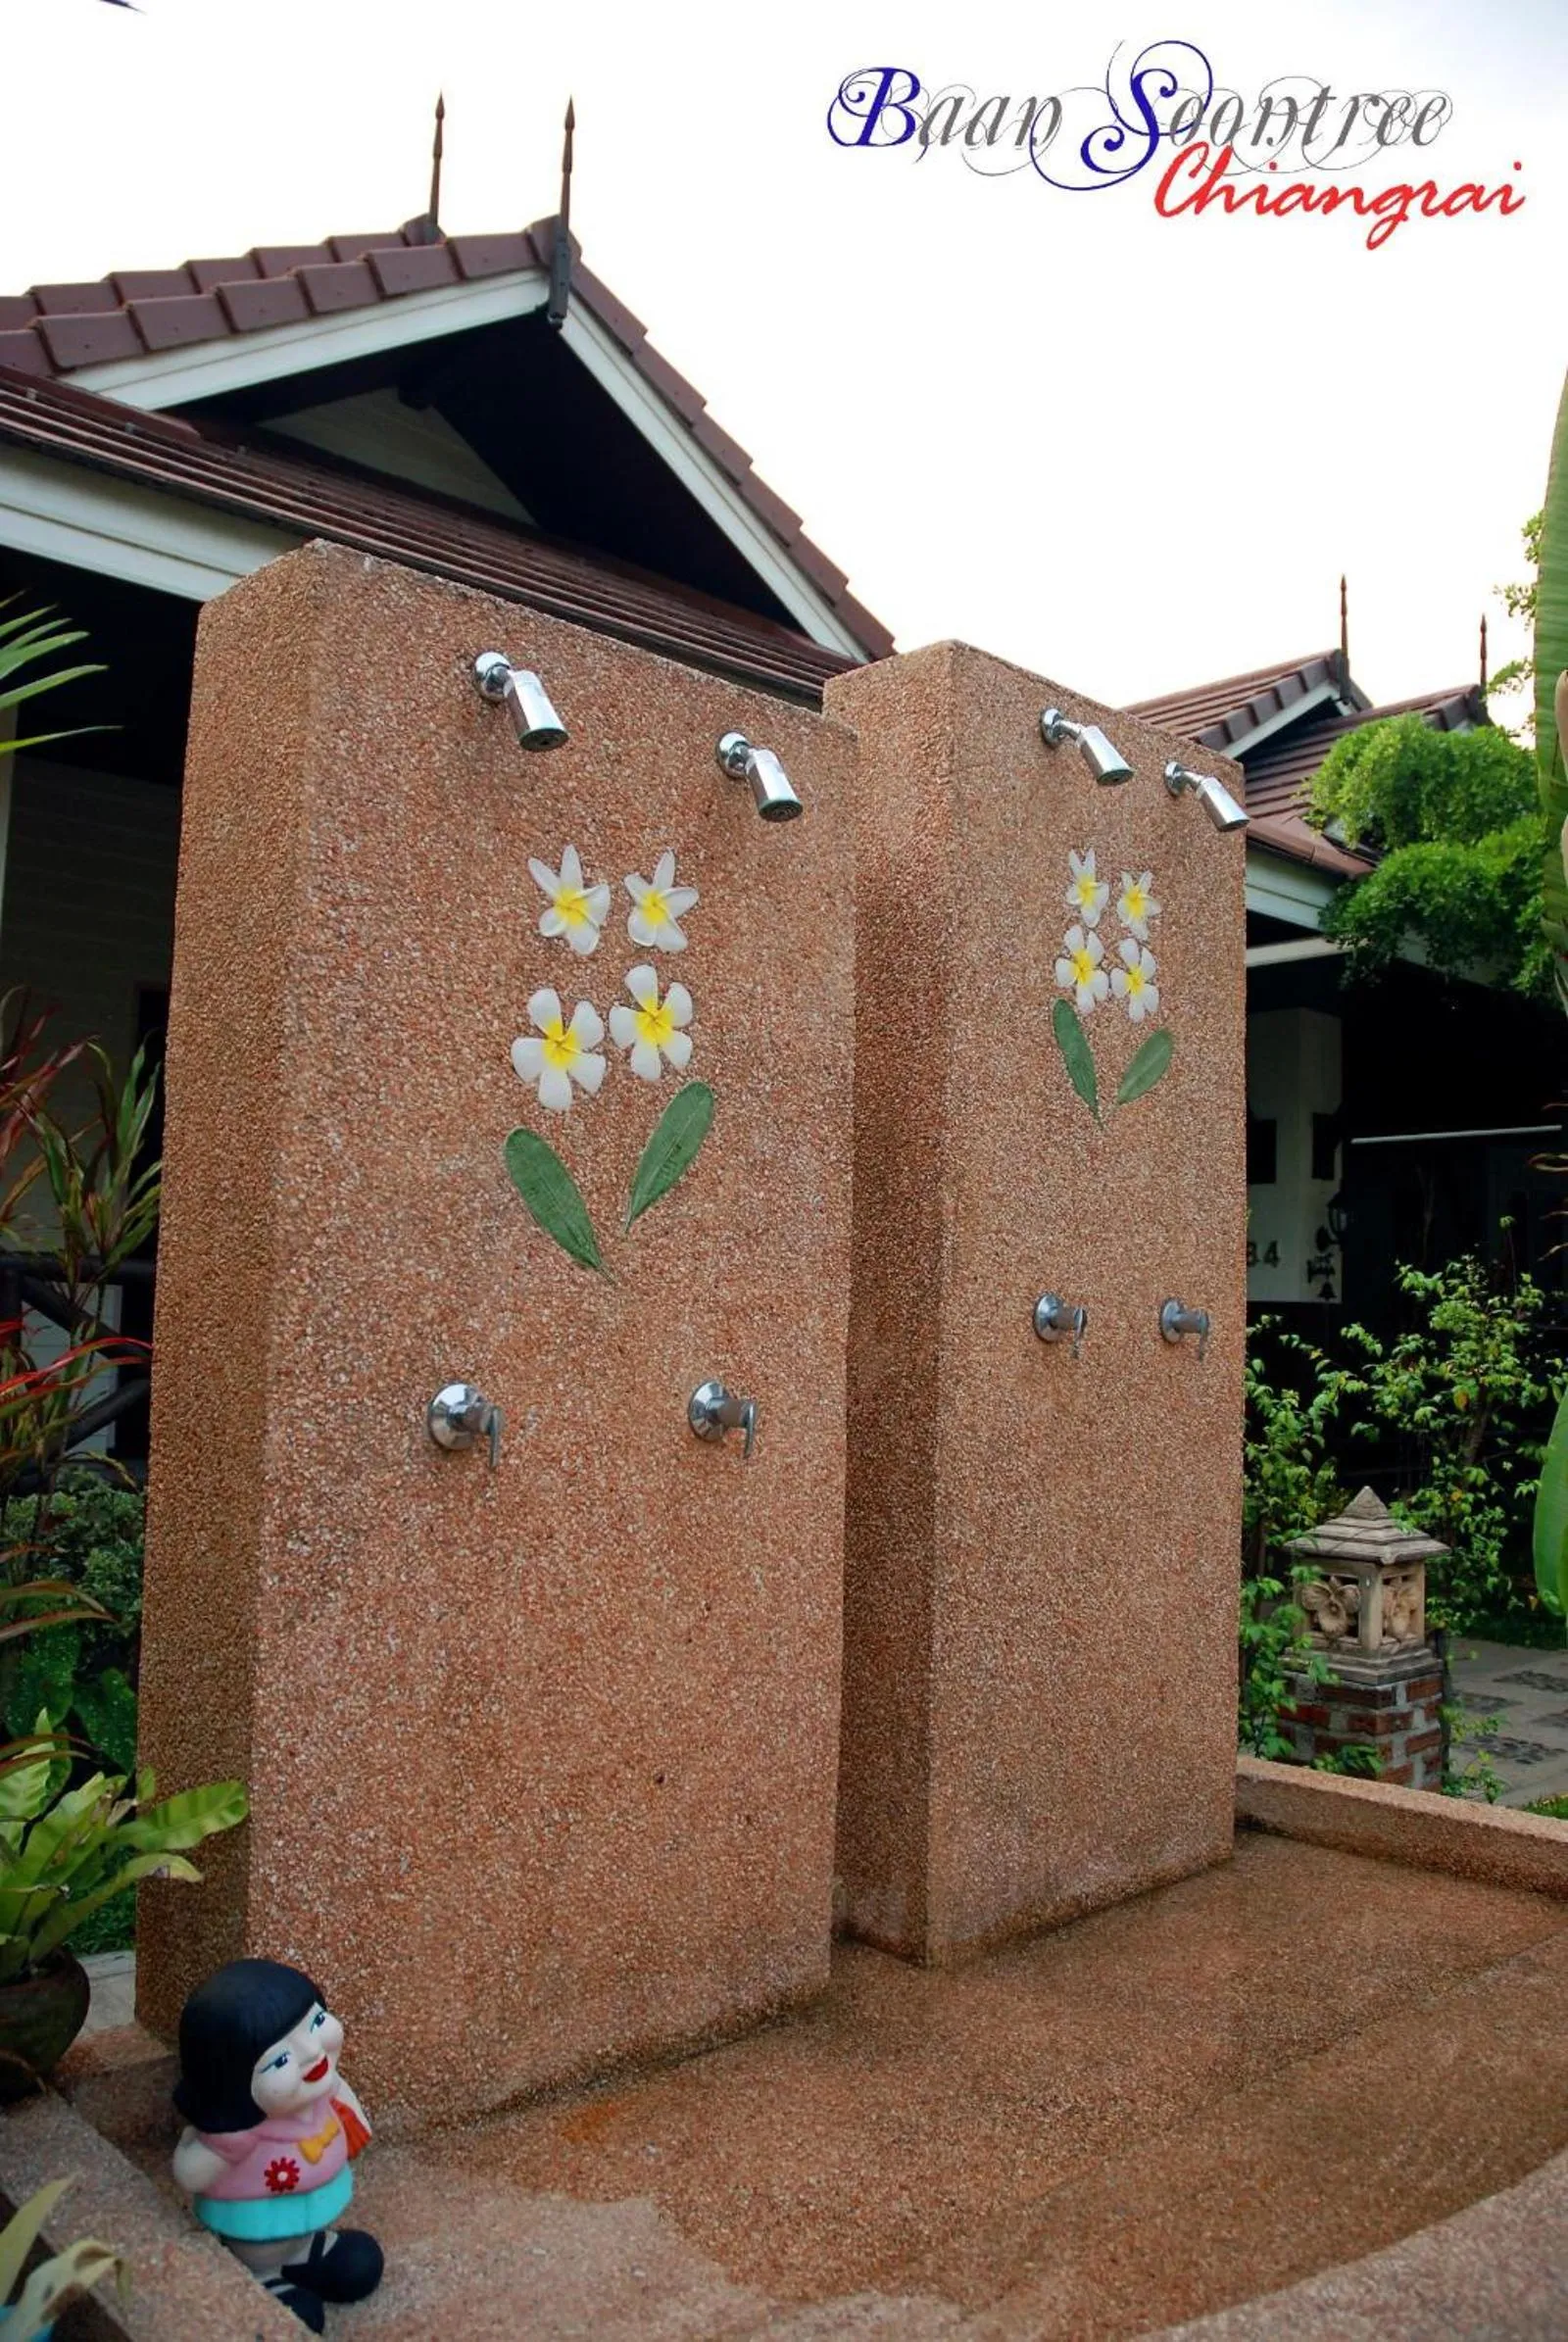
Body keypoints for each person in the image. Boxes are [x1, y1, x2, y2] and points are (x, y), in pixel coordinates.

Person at [171, 1958, 383, 2333]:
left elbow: (349, 2111)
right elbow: (190, 2173)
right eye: (280, 2058)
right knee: (299, 2318)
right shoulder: (240, 2137)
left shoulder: (322, 2092)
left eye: (316, 2023)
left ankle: (307, 2253)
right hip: (256, 2228)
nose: (312, 2053)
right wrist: (208, 2148)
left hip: (310, 2215)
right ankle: (261, 2276)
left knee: (360, 2266)